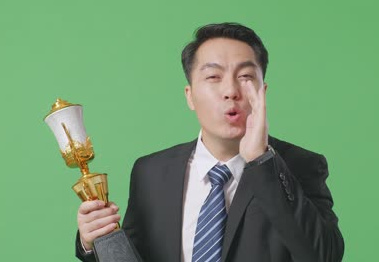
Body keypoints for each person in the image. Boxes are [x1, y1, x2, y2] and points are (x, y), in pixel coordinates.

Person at [75, 22, 344, 262]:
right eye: (213, 77)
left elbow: (324, 256)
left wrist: (261, 161)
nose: (231, 91)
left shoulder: (301, 165)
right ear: (190, 96)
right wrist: (94, 241)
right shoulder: (151, 172)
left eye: (246, 77)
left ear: (262, 92)